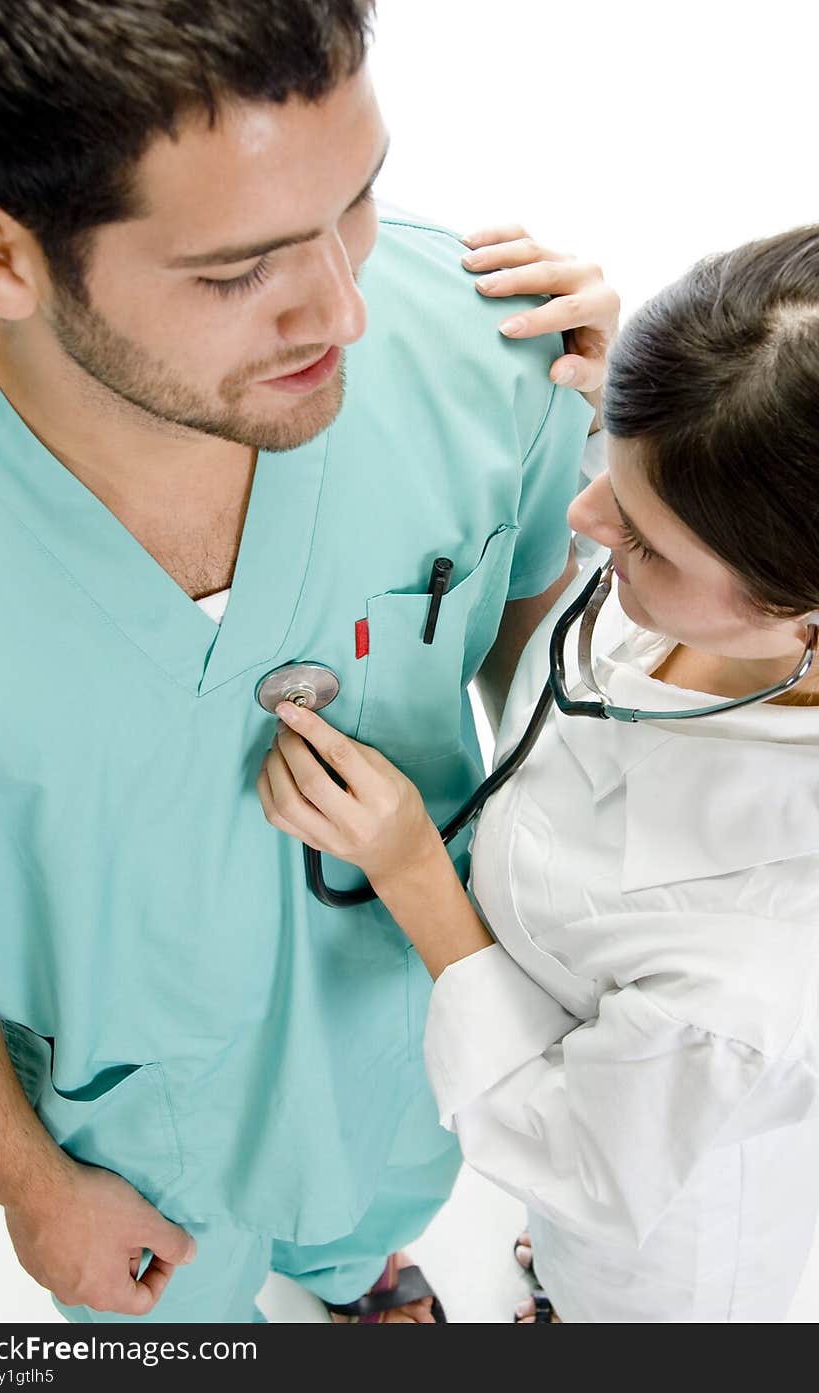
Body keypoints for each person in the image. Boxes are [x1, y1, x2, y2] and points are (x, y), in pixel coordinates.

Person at [0, 1, 619, 1323]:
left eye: (358, 200)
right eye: (239, 270)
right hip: (117, 1150)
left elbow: (554, 676)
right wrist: (26, 1183)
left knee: (370, 1216)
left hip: (396, 1050)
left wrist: (647, 439)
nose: (349, 310)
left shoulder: (492, 349)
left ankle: (359, 1274)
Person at [259, 224, 819, 1323]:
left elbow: (578, 1153)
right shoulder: (738, 569)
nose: (582, 515)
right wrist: (640, 409)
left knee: (607, 1286)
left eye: (646, 541)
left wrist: (412, 868)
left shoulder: (757, 962)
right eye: (614, 461)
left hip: (653, 1235)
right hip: (613, 1091)